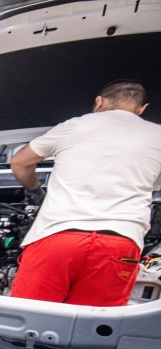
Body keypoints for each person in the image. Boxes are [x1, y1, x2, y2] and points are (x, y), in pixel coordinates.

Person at [9, 80, 161, 306]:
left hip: (58, 237)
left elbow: (20, 162)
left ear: (99, 102)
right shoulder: (157, 134)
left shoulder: (74, 125)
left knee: (29, 317)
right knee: (93, 327)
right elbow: (153, 185)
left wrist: (36, 191)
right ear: (142, 109)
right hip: (120, 242)